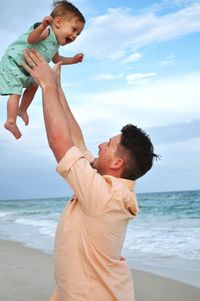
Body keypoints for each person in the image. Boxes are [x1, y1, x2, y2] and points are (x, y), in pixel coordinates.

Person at [22, 48, 159, 301]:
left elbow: (60, 143)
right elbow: (76, 140)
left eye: (108, 143)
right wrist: (58, 90)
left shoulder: (103, 197)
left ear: (117, 163)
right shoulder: (104, 185)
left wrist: (46, 86)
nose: (100, 145)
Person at [0, 0, 85, 139]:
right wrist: (42, 26)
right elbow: (31, 39)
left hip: (26, 69)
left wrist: (73, 60)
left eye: (78, 34)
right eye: (74, 29)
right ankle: (10, 121)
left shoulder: (55, 45)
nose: (75, 36)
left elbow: (57, 60)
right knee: (15, 91)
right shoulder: (46, 31)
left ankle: (22, 110)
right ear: (57, 22)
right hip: (14, 63)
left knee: (35, 84)